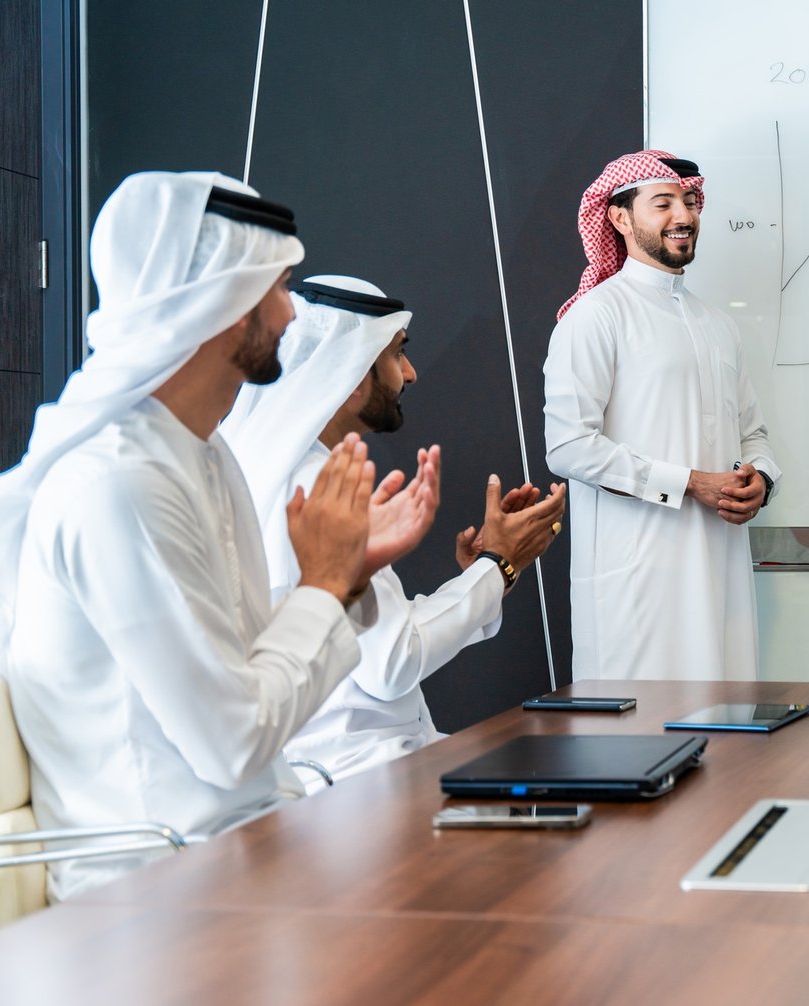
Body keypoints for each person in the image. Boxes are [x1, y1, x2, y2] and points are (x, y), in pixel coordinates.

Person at [0, 172, 436, 899]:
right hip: (151, 897)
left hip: (245, 851)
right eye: (279, 288)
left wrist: (346, 579)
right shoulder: (117, 486)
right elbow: (234, 744)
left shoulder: (204, 455)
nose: (291, 315)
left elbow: (256, 677)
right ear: (224, 303)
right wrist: (324, 585)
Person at [221, 276, 565, 780]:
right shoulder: (322, 485)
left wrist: (487, 572)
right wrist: (497, 566)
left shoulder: (276, 469)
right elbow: (392, 664)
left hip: (342, 773)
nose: (410, 373)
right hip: (363, 782)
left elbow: (377, 636)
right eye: (397, 353)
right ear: (353, 372)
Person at [544, 150, 780, 681]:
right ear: (619, 218)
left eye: (690, 202)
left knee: (729, 718)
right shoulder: (595, 316)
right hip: (638, 583)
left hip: (722, 577)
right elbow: (568, 447)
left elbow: (753, 433)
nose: (684, 215)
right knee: (643, 724)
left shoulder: (718, 325)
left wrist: (762, 479)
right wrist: (691, 483)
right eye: (663, 202)